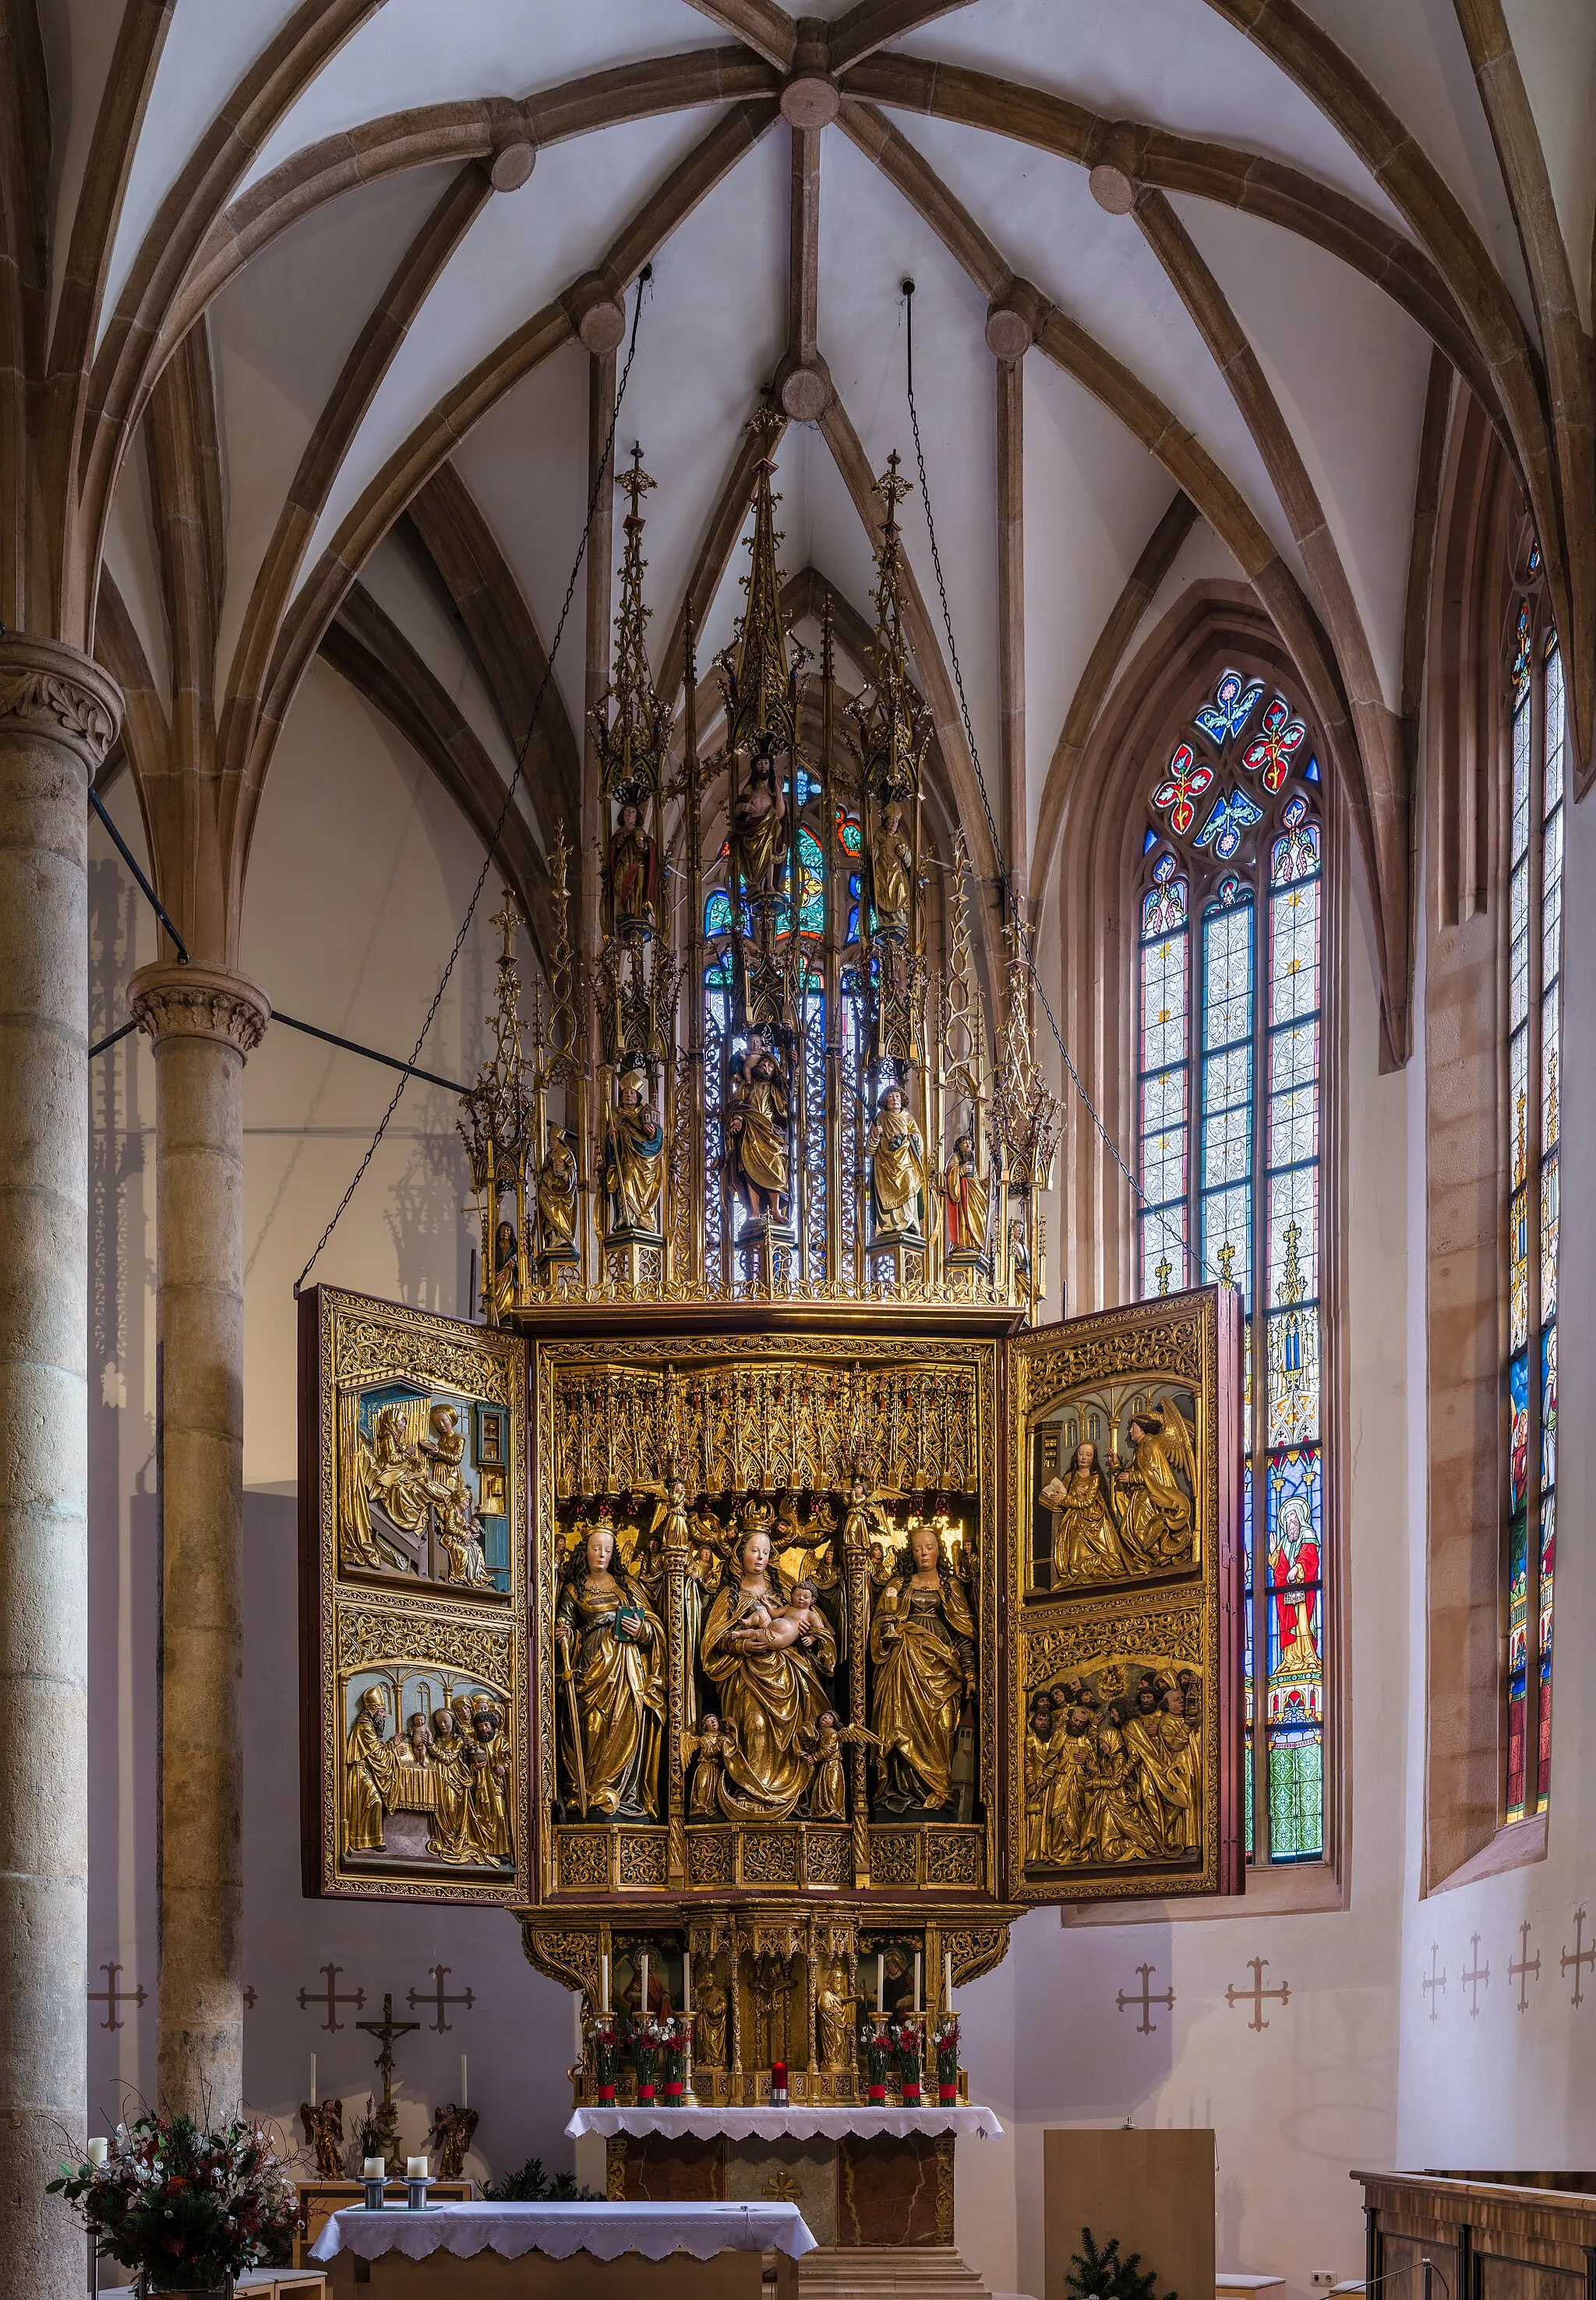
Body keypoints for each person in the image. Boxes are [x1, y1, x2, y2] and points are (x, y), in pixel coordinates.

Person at [700, 1523, 836, 1820]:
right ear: (740, 1553)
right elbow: (713, 1641)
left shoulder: (788, 1591)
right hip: (745, 1676)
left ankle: (789, 1797)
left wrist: (808, 1636)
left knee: (793, 1734)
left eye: (765, 1552)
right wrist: (743, 1648)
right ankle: (751, 1792)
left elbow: (821, 1630)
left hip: (788, 1676)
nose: (760, 1557)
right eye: (754, 1551)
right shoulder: (729, 1596)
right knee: (755, 1725)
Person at [555, 1522, 666, 1819]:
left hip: (628, 1670)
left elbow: (655, 1627)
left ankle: (619, 1792)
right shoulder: (571, 1590)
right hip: (591, 1668)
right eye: (595, 1548)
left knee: (625, 1725)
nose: (601, 1554)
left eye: (607, 1549)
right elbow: (564, 1622)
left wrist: (642, 1630)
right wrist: (564, 1633)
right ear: (586, 1551)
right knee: (592, 1727)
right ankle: (588, 1792)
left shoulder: (627, 1586)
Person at [868, 1521, 976, 1816]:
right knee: (898, 1725)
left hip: (941, 1667)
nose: (924, 1553)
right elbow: (877, 1626)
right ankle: (900, 1791)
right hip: (902, 1667)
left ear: (939, 1549)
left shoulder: (950, 1586)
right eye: (918, 1548)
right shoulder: (897, 1586)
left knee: (940, 1726)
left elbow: (963, 1633)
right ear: (910, 1553)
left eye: (929, 1547)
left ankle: (936, 1790)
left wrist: (969, 1674)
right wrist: (889, 1628)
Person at [1111, 1401, 1197, 1573]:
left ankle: (1162, 1554)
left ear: (1142, 1429)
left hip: (1151, 1494)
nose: (1129, 1432)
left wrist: (1132, 1477)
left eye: (1132, 1428)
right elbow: (1138, 1470)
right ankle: (1156, 1555)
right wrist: (1117, 1467)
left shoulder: (1150, 1444)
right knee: (1128, 1530)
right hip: (1142, 1493)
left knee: (1135, 1529)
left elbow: (1153, 1474)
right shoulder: (1141, 1447)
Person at [726, 1032, 791, 1225]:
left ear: (774, 1072)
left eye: (770, 1065)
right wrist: (737, 1120)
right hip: (750, 1134)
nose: (765, 1066)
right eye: (763, 1064)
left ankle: (776, 1211)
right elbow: (737, 1105)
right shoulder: (747, 1086)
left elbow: (786, 1113)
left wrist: (792, 1065)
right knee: (750, 1171)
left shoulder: (776, 1091)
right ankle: (754, 1211)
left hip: (771, 1134)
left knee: (777, 1168)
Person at [1040, 1440, 1126, 1585]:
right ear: (1076, 1456)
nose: (1084, 1458)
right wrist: (1066, 1495)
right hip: (1076, 1520)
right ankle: (1078, 1567)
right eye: (1081, 1454)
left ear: (1093, 1459)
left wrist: (1065, 1499)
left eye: (1088, 1455)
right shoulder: (1069, 1477)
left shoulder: (1095, 1478)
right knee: (1076, 1543)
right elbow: (1064, 1493)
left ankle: (1095, 1565)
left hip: (1094, 1520)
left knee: (1112, 1560)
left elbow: (1087, 1502)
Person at [602, 1065, 666, 1238]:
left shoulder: (645, 1112)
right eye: (625, 1093)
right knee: (627, 1178)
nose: (629, 1095)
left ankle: (643, 1217)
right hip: (626, 1160)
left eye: (632, 1093)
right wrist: (613, 1137)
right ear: (621, 1097)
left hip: (645, 1162)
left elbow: (658, 1137)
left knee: (638, 1182)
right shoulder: (614, 1115)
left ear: (638, 1096)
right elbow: (610, 1147)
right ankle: (627, 1216)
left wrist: (653, 1133)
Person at [867, 1086, 927, 1241]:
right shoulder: (880, 1118)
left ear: (902, 1100)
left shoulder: (908, 1118)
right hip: (885, 1166)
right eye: (891, 1096)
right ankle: (889, 1225)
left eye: (897, 1096)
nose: (895, 1099)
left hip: (906, 1163)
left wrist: (909, 1139)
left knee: (908, 1181)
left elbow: (920, 1145)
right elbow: (868, 1151)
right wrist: (875, 1135)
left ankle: (908, 1221)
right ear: (885, 1101)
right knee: (886, 1192)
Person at [344, 1684, 397, 1853]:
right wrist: (393, 1746)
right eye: (381, 1712)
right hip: (360, 1772)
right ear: (373, 1711)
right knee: (375, 1801)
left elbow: (375, 1749)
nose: (383, 1716)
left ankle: (370, 1839)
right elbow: (377, 1754)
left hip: (366, 1770)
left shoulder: (368, 1725)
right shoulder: (365, 1727)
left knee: (373, 1803)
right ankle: (367, 1840)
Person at [608, 800, 656, 934]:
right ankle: (625, 910)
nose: (629, 813)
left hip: (639, 864)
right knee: (623, 885)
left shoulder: (641, 832)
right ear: (622, 815)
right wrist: (626, 834)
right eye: (627, 811)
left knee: (638, 888)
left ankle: (638, 913)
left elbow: (650, 848)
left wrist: (644, 846)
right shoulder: (619, 833)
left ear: (636, 817)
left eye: (633, 811)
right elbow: (615, 848)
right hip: (624, 864)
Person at [868, 798, 914, 941]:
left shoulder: (900, 838)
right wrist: (873, 852)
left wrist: (905, 855)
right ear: (886, 821)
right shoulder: (878, 835)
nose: (893, 823)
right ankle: (884, 920)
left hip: (897, 875)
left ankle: (898, 921)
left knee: (898, 895)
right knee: (881, 894)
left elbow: (909, 860)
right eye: (891, 820)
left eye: (895, 821)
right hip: (882, 872)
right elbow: (873, 855)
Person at [943, 1132, 989, 1259]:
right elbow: (949, 1172)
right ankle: (962, 1244)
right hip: (962, 1196)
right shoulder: (955, 1157)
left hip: (975, 1196)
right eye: (965, 1143)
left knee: (979, 1217)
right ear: (959, 1146)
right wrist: (961, 1170)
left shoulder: (971, 1161)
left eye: (970, 1143)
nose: (968, 1145)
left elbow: (977, 1181)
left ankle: (975, 1244)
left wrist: (986, 1182)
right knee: (963, 1219)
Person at [535, 1136, 578, 1259]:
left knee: (559, 1211)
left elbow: (572, 1174)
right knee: (550, 1221)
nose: (551, 1142)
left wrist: (565, 1175)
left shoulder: (566, 1154)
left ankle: (564, 1239)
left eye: (554, 1139)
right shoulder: (548, 1159)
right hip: (548, 1197)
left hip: (562, 1198)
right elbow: (544, 1175)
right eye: (550, 1140)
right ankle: (554, 1239)